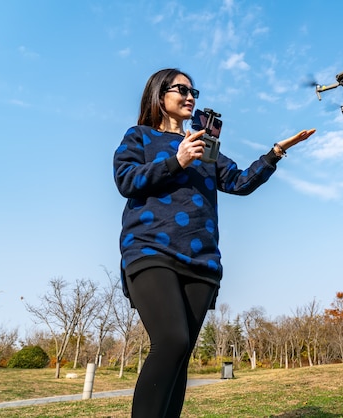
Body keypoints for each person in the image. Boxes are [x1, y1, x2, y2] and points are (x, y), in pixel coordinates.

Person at [113, 68, 316, 417]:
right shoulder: (140, 137)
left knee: (180, 356)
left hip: (202, 261)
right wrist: (176, 159)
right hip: (150, 250)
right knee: (171, 341)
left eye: (194, 92)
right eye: (181, 90)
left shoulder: (206, 149)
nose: (191, 96)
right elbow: (126, 180)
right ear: (159, 95)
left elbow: (239, 182)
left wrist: (275, 153)